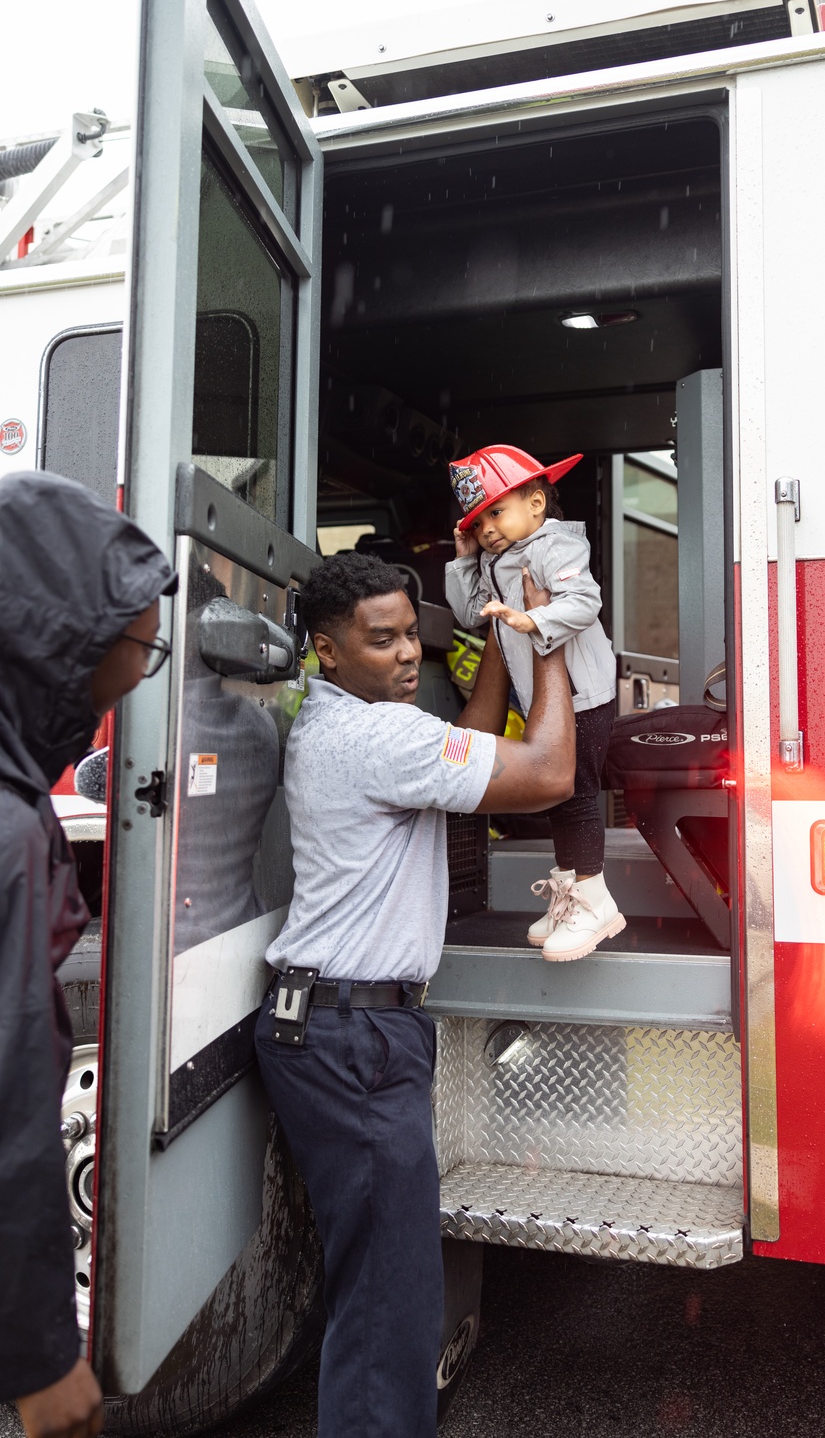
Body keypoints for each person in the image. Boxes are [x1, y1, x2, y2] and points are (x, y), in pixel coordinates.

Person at [254, 550, 574, 1438]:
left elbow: (464, 735)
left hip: (338, 1026)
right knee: (389, 1295)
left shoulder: (350, 724)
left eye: (410, 635)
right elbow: (547, 773)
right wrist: (546, 638)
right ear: (324, 647)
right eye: (382, 639)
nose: (406, 655)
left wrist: (502, 647)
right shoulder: (375, 739)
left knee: (380, 1283)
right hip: (352, 1035)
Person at [0, 471, 176, 1438]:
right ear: (62, 647)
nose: (137, 672)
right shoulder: (10, 832)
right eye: (141, 648)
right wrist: (39, 1355)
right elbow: (13, 1106)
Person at [445, 442, 624, 961]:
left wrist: (535, 620)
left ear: (536, 504)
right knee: (557, 799)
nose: (487, 529)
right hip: (547, 700)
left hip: (584, 696)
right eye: (477, 523)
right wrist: (463, 562)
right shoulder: (498, 559)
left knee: (574, 794)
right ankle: (571, 896)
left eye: (496, 512)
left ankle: (595, 904)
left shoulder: (552, 547)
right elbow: (470, 615)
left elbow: (585, 602)